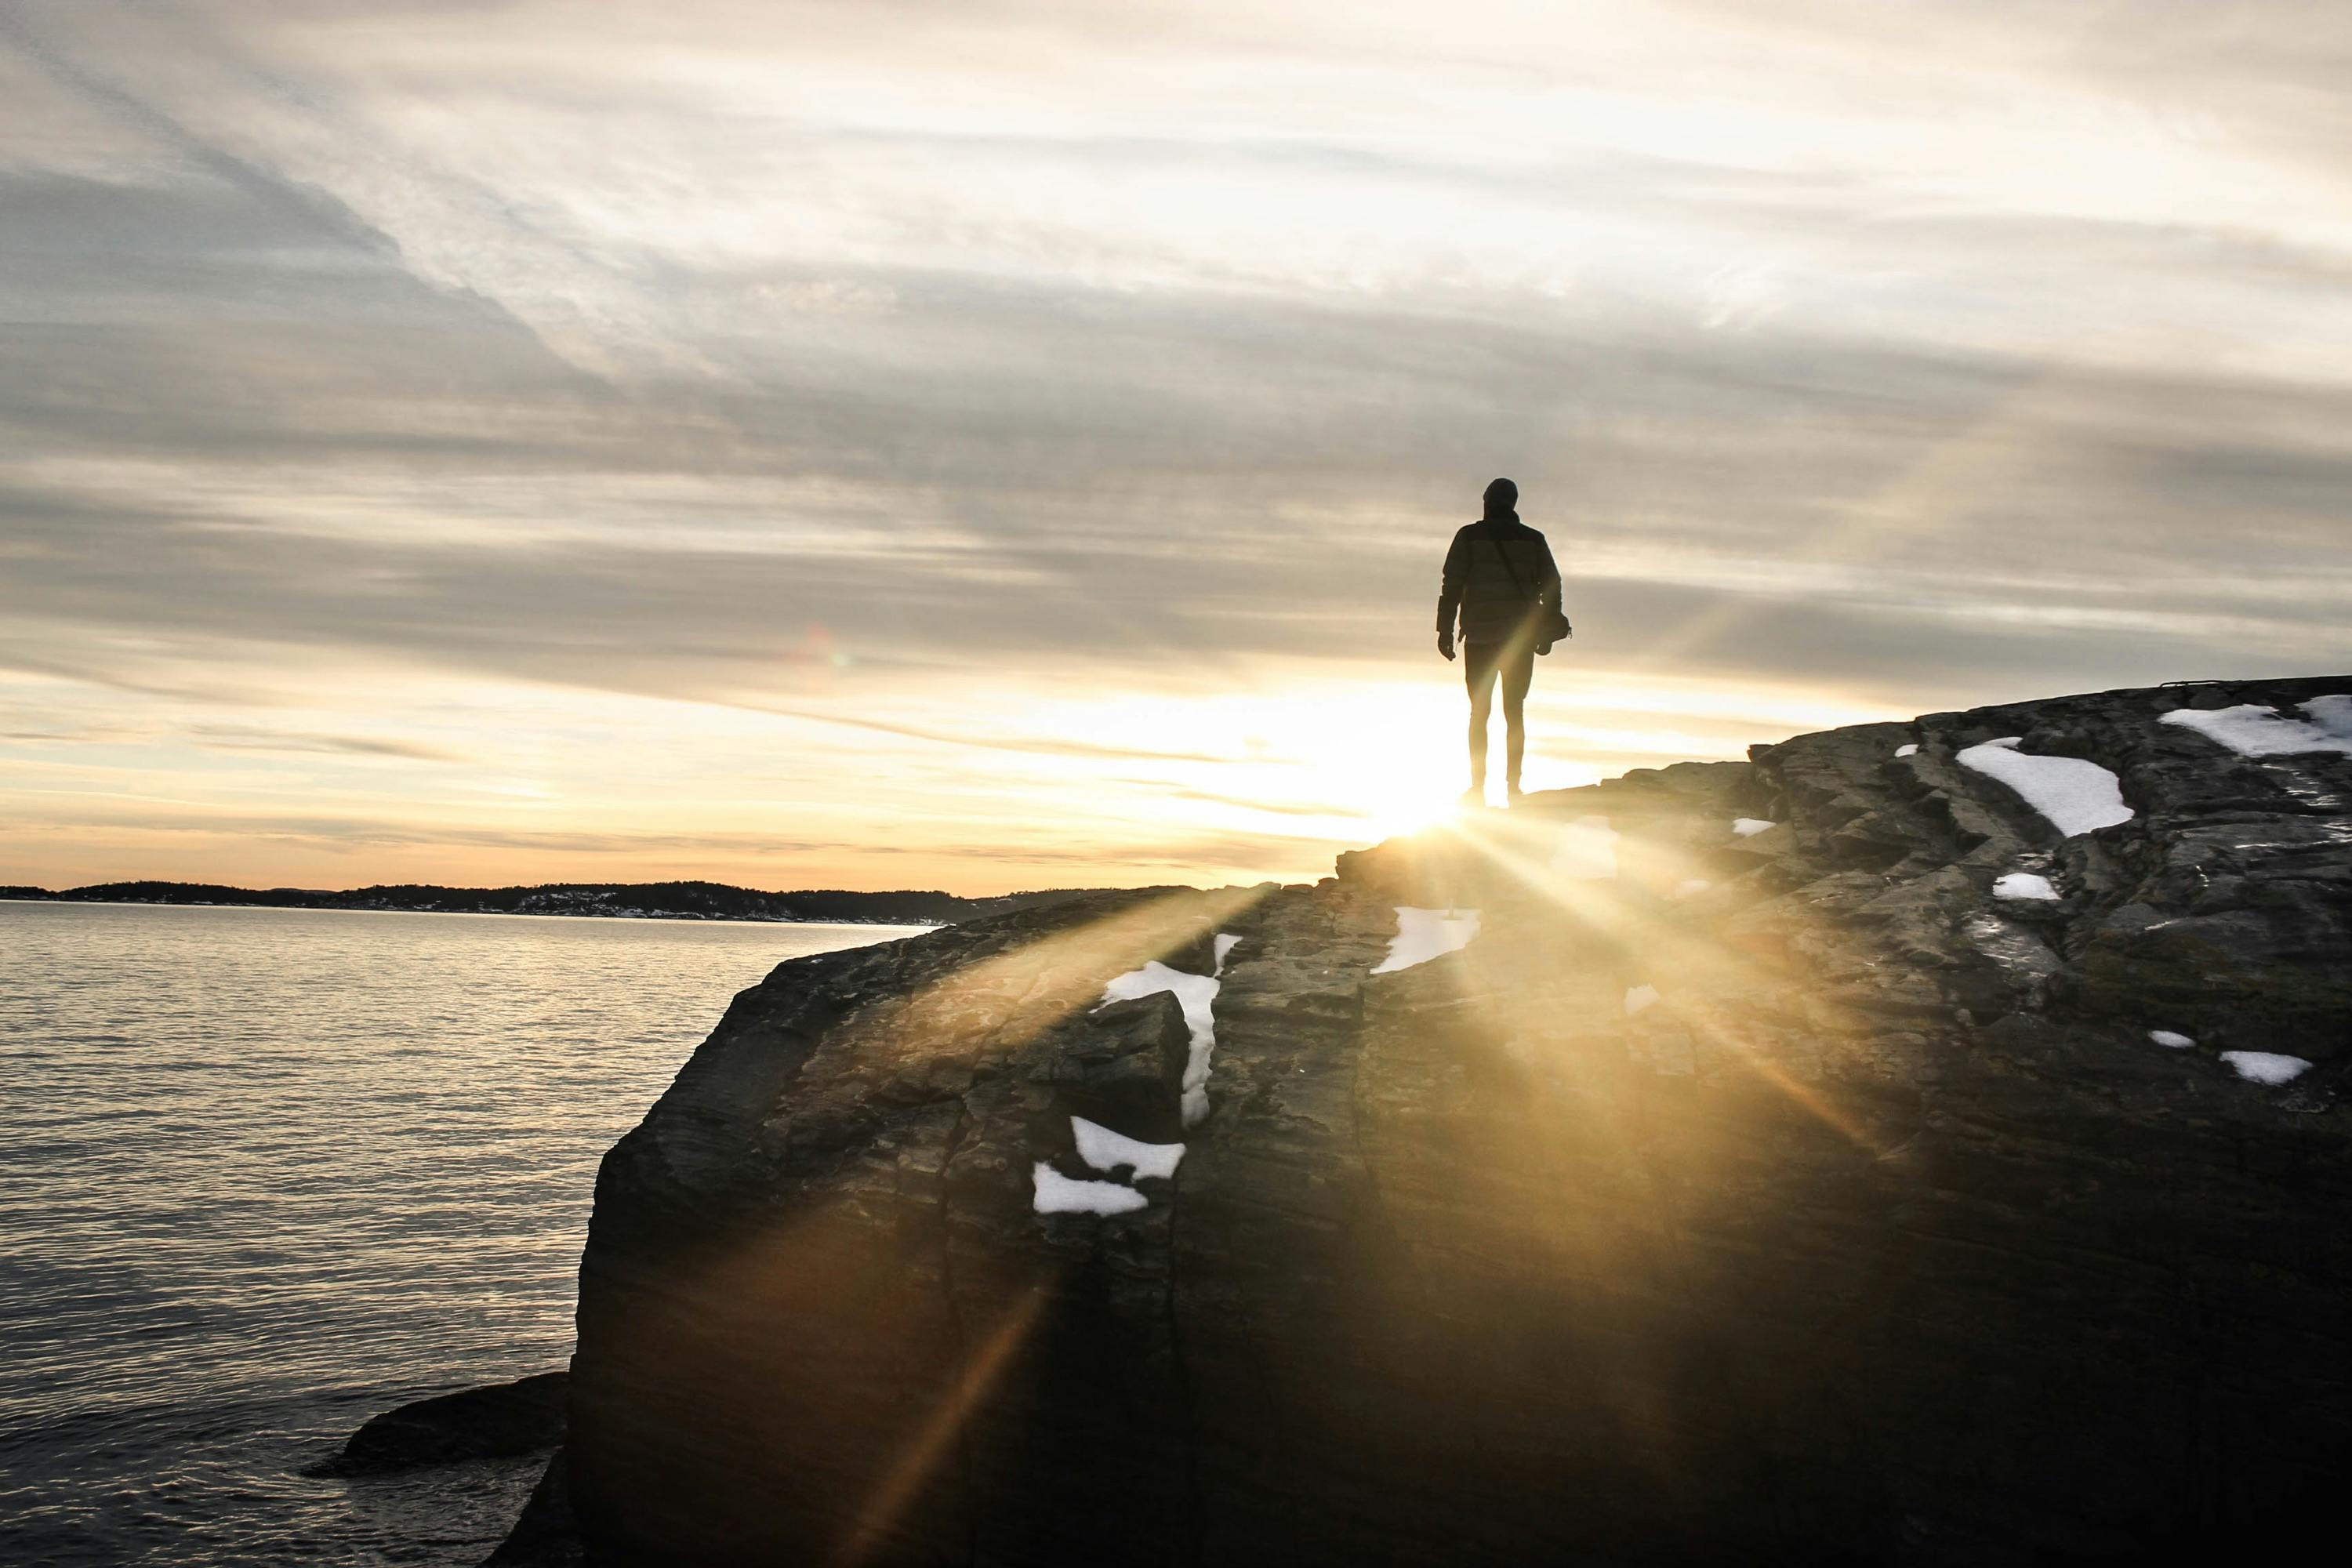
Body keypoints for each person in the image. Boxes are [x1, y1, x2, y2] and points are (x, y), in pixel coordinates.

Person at [1436, 477, 1566, 806]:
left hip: (1479, 638)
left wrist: (1445, 631)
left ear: (1486, 502)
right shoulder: (1534, 540)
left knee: (1479, 713)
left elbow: (1451, 585)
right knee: (1515, 712)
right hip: (1520, 640)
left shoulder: (1469, 537)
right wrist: (1547, 631)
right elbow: (1552, 584)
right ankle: (1514, 789)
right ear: (1514, 503)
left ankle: (1477, 789)